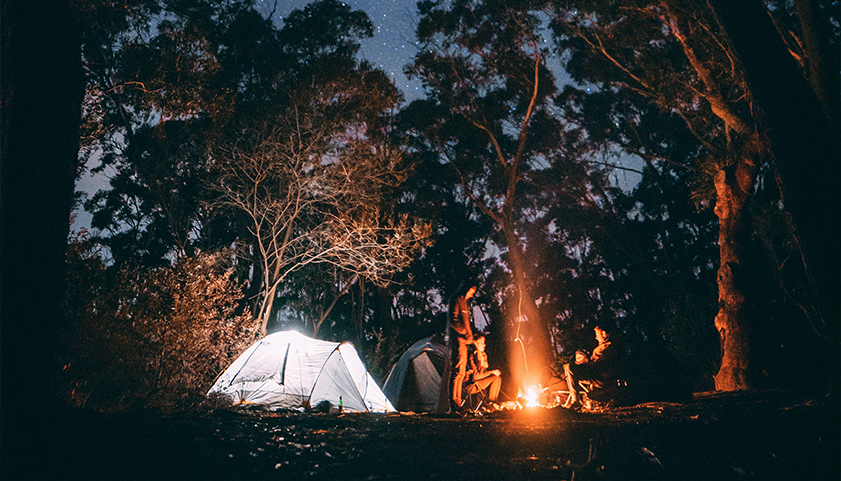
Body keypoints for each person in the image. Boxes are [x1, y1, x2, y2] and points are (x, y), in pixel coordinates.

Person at [562, 323, 623, 408]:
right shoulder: (601, 347)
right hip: (595, 375)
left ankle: (575, 399)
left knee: (570, 368)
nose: (596, 338)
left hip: (602, 378)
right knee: (568, 369)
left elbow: (602, 363)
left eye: (597, 335)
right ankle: (574, 398)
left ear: (604, 334)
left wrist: (586, 365)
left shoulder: (609, 347)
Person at [446, 282, 477, 413]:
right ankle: (455, 404)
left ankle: (458, 404)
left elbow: (465, 320)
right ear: (465, 289)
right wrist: (464, 332)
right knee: (457, 372)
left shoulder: (464, 302)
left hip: (464, 341)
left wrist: (470, 336)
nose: (472, 295)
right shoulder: (456, 300)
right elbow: (453, 320)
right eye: (471, 291)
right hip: (458, 340)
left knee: (462, 373)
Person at [464, 336, 502, 405]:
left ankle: (494, 400)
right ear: (476, 344)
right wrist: (491, 372)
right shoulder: (473, 357)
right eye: (482, 343)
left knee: (498, 378)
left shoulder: (482, 355)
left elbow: (483, 374)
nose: (484, 345)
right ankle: (491, 402)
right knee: (495, 378)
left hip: (480, 383)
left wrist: (492, 372)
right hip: (472, 386)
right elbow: (476, 377)